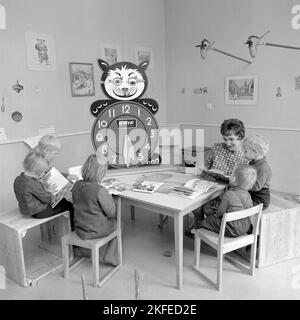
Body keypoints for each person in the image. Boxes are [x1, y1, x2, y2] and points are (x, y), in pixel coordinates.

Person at [71, 154, 119, 266]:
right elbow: (111, 212)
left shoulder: (76, 185)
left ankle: (84, 250)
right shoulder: (100, 190)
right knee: (119, 224)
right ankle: (109, 255)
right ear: (100, 172)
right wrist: (110, 198)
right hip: (96, 229)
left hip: (80, 228)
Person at [195, 164, 257, 237]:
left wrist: (216, 215)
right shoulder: (248, 195)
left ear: (233, 179)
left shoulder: (228, 194)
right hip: (245, 226)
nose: (229, 176)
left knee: (210, 219)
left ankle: (197, 228)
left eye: (231, 174)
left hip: (231, 229)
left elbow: (221, 213)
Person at [13, 150, 74, 223]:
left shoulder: (18, 179)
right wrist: (49, 191)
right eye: (41, 173)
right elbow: (46, 199)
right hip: (39, 212)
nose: (42, 175)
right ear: (34, 170)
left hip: (25, 210)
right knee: (68, 204)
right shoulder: (32, 183)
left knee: (63, 202)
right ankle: (73, 226)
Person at [243, 135, 272, 210]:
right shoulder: (253, 162)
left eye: (245, 151)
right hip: (251, 194)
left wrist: (241, 185)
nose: (243, 152)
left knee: (238, 206)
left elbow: (256, 187)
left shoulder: (263, 167)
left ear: (255, 152)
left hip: (259, 198)